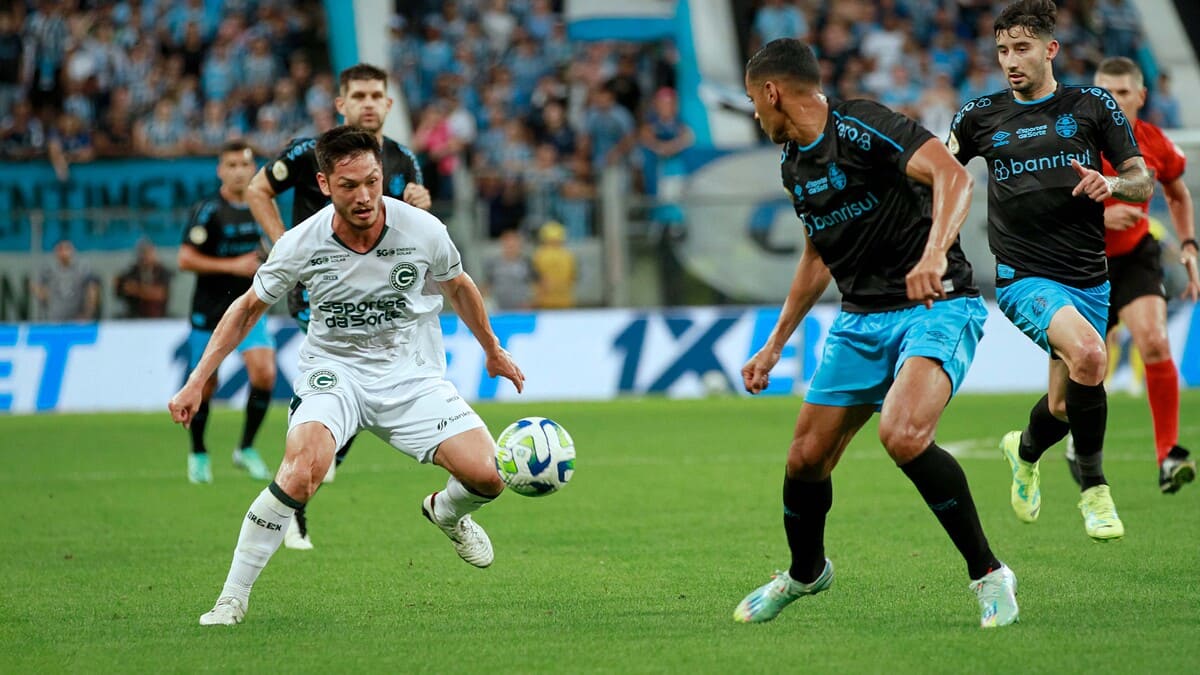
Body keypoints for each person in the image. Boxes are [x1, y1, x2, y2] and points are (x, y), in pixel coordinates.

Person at [169, 126, 525, 626]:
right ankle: (231, 598)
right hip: (334, 373)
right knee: (300, 471)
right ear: (323, 183)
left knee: (490, 476)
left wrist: (493, 349)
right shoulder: (302, 242)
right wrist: (196, 380)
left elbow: (459, 286)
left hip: (412, 376)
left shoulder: (421, 229)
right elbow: (247, 309)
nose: (364, 197)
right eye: (349, 185)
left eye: (372, 182)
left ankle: (445, 511)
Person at [733, 38, 1017, 629]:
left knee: (904, 434)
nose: (756, 115)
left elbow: (954, 176)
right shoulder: (794, 163)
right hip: (861, 319)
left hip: (936, 303)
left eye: (753, 102)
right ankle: (807, 573)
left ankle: (989, 574)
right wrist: (776, 342)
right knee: (805, 459)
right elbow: (818, 255)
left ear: (771, 91)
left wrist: (935, 253)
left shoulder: (863, 126)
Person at [948, 0, 1153, 540]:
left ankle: (1024, 450)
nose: (1010, 60)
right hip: (1024, 277)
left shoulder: (1092, 105)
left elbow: (1141, 180)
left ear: (1050, 49)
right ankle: (1095, 491)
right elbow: (940, 177)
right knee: (1091, 355)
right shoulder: (977, 117)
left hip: (1089, 277)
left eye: (1021, 48)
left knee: (1065, 403)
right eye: (1001, 51)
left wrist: (1111, 185)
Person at [246, 63, 432, 550]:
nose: (369, 103)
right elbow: (257, 188)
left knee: (356, 393)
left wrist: (422, 201)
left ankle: (306, 474)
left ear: (389, 105)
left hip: (383, 300)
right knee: (341, 379)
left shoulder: (403, 159)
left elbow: (415, 221)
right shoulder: (311, 153)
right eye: (359, 95)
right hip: (321, 291)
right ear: (341, 105)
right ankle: (296, 492)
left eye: (377, 95)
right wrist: (284, 248)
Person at [1061, 56, 1199, 494]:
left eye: (1123, 92)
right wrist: (1102, 217)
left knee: (1155, 342)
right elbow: (1046, 207)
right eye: (1105, 91)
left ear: (1140, 96)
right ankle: (1077, 445)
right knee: (1082, 375)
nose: (1114, 101)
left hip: (1138, 256)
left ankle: (1168, 456)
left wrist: (1190, 244)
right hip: (1084, 261)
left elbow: (1177, 193)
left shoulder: (1154, 143)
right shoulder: (1073, 141)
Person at [177, 139, 276, 485]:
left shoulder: (262, 206)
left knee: (264, 373)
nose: (238, 171)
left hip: (250, 307)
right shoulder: (208, 211)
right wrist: (234, 265)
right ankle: (199, 452)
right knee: (205, 386)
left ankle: (245, 448)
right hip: (210, 310)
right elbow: (185, 259)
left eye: (244, 165)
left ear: (254, 169)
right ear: (221, 170)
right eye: (231, 165)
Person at [33, 239, 100, 321]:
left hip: (77, 317)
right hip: (55, 317)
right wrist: (46, 298)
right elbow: (36, 285)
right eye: (60, 249)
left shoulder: (81, 269)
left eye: (67, 249)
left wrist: (88, 312)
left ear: (72, 250)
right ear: (56, 252)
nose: (64, 253)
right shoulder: (49, 270)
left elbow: (92, 289)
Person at [114, 239, 172, 318]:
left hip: (159, 317)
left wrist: (137, 289)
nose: (145, 256)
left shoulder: (162, 271)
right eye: (143, 253)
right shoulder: (132, 272)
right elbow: (123, 288)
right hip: (135, 317)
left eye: (148, 253)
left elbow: (161, 294)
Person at [482, 228, 535, 311]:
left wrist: (531, 302)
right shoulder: (494, 263)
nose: (511, 247)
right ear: (503, 244)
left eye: (514, 244)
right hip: (499, 308)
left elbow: (538, 284)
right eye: (508, 244)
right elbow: (487, 284)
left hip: (522, 309)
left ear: (519, 245)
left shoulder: (526, 263)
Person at [531, 221, 577, 309]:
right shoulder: (568, 255)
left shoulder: (539, 255)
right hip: (558, 300)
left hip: (550, 300)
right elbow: (573, 277)